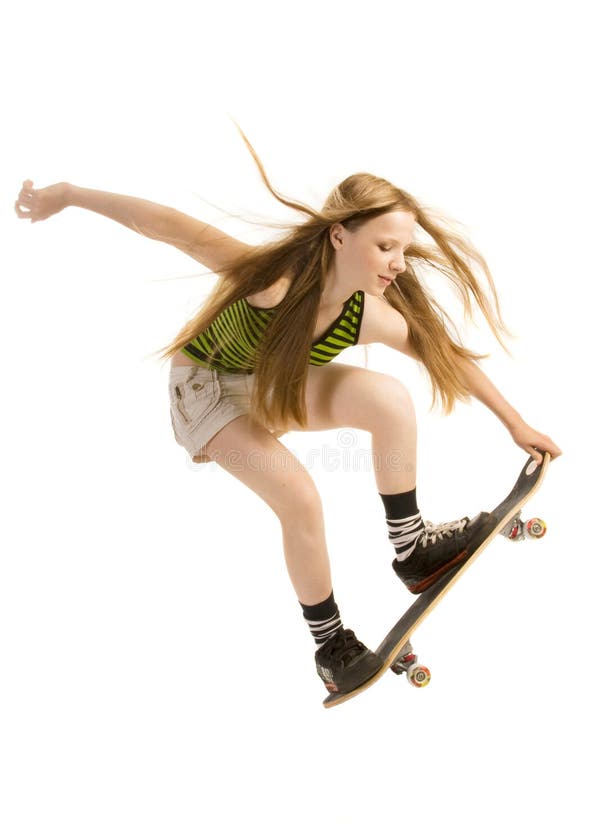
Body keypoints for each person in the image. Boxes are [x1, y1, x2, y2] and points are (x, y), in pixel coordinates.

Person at [14, 126, 561, 697]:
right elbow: (165, 223)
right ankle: (330, 645)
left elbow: (445, 355)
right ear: (339, 237)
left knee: (388, 398)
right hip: (203, 391)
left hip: (272, 385)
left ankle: (413, 548)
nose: (399, 263)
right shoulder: (273, 280)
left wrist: (516, 424)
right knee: (299, 496)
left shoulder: (367, 313)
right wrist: (70, 194)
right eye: (385, 247)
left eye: (403, 249)